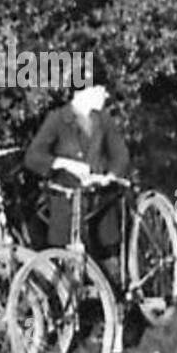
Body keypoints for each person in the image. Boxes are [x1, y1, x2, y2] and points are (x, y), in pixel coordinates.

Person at [24, 60, 130, 285]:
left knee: (108, 267)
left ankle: (115, 309)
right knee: (67, 271)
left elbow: (120, 155)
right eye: (101, 89)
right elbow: (33, 157)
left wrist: (110, 176)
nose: (106, 94)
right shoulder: (57, 120)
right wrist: (62, 163)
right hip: (67, 205)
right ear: (86, 91)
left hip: (100, 204)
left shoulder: (104, 120)